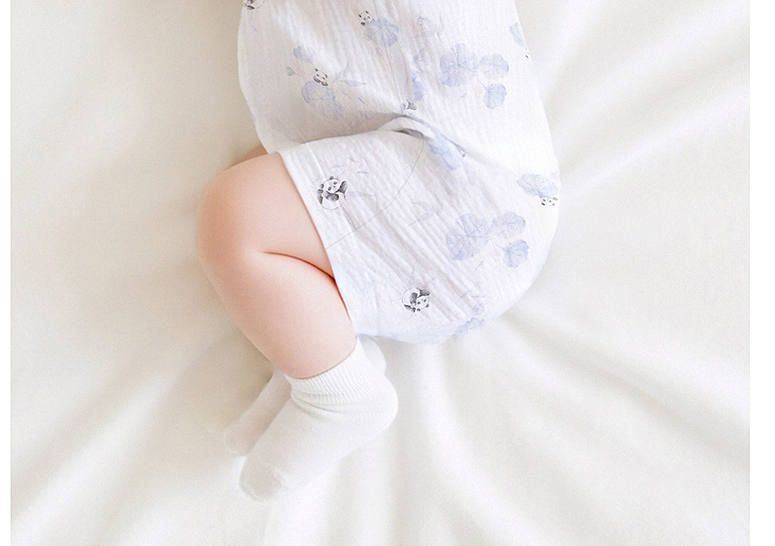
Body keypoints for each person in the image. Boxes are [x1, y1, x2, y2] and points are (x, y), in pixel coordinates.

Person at [196, 0, 560, 501]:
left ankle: (337, 392)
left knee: (236, 215)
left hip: (467, 199)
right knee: (259, 193)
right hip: (467, 191)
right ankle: (328, 346)